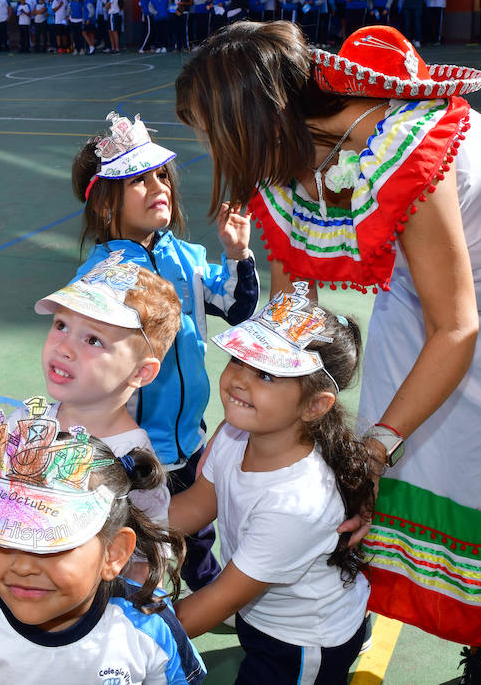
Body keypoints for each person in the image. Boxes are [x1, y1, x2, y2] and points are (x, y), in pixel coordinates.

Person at [176, 22, 481, 685]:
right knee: (395, 433)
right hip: (427, 276)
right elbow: (295, 311)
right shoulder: (290, 148)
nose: (208, 147)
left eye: (210, 131)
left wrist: (371, 451)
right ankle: (357, 606)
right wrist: (267, 398)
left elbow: (457, 330)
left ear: (250, 120)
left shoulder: (400, 145)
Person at [72, 111, 258, 592]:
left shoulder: (188, 259)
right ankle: (137, 609)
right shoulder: (98, 280)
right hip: (134, 446)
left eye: (160, 174)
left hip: (190, 434)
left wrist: (235, 253)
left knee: (195, 522)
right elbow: (86, 370)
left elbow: (236, 307)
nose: (158, 185)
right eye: (137, 179)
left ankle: (202, 579)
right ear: (106, 204)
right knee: (139, 539)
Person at [0, 401, 205, 685]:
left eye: (53, 545)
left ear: (113, 554)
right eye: (5, 536)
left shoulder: (150, 626)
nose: (24, 566)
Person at [169, 285, 372, 682]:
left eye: (265, 373)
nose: (239, 380)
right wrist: (116, 532)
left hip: (302, 641)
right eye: (238, 359)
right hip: (262, 612)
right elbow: (194, 507)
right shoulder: (234, 434)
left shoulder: (297, 502)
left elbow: (218, 599)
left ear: (315, 405)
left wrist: (126, 634)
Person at [0, 257, 181, 577]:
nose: (64, 347)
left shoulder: (134, 463)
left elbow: (143, 565)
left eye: (93, 340)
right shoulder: (22, 425)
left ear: (141, 372)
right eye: (61, 325)